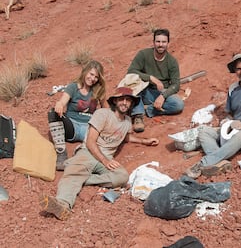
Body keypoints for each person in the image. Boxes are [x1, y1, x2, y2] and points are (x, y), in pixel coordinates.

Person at [39, 87, 159, 220]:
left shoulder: (126, 122)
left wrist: (144, 141)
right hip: (88, 152)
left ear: (131, 104)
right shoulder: (102, 114)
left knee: (122, 176)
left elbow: (125, 137)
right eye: (121, 99)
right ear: (115, 101)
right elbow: (90, 141)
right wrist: (104, 160)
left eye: (128, 100)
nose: (124, 102)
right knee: (73, 173)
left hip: (106, 157)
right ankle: (63, 204)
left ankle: (81, 179)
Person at [185, 53, 241, 179]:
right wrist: (227, 121)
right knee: (204, 132)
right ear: (234, 71)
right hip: (235, 128)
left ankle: (202, 164)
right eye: (238, 69)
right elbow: (230, 113)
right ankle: (220, 162)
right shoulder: (233, 88)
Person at [48, 60, 107, 171]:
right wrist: (59, 104)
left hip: (89, 129)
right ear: (85, 72)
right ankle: (61, 153)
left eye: (96, 77)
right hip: (72, 126)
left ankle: (82, 152)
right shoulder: (73, 87)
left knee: (106, 131)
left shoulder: (98, 90)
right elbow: (63, 101)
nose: (93, 78)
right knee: (52, 113)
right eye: (91, 74)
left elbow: (106, 110)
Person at [126, 28, 184, 133]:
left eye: (163, 42)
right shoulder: (143, 54)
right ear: (153, 43)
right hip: (142, 90)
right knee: (132, 84)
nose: (160, 45)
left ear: (168, 43)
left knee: (178, 104)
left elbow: (176, 84)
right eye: (158, 41)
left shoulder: (172, 61)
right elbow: (131, 72)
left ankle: (145, 109)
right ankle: (138, 116)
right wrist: (151, 78)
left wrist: (163, 96)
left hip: (159, 93)